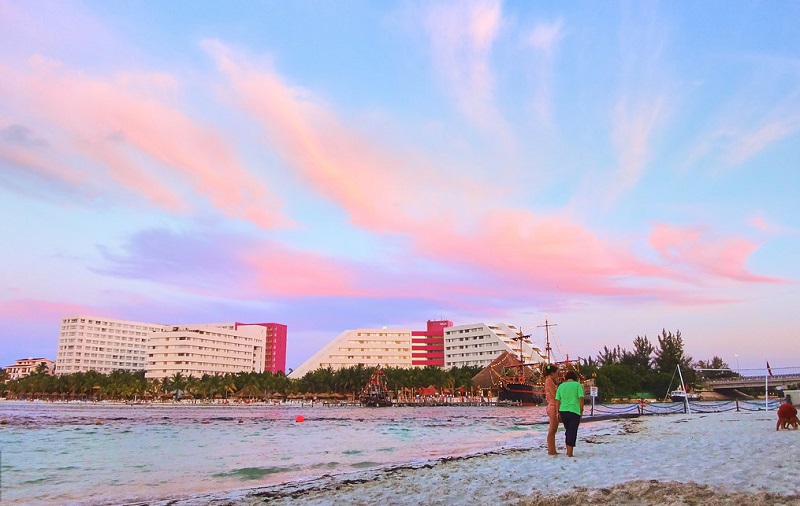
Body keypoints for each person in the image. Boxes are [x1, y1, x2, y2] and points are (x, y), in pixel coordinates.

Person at [555, 370, 584, 457]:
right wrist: (581, 409)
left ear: (566, 378)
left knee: (568, 430)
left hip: (563, 411)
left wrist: (557, 413)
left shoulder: (561, 386)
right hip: (574, 410)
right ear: (575, 378)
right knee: (572, 431)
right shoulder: (577, 385)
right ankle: (569, 453)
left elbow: (557, 400)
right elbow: (581, 398)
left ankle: (568, 451)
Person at [542, 364, 560, 455]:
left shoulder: (549, 381)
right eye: (557, 373)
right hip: (552, 406)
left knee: (553, 430)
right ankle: (551, 450)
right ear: (552, 373)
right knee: (552, 430)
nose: (557, 375)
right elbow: (556, 396)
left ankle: (552, 450)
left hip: (552, 406)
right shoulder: (549, 381)